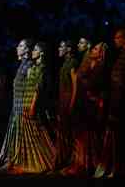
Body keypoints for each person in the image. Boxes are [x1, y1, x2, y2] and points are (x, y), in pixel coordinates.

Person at [8, 42, 56, 174]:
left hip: (33, 105)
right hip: (26, 103)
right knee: (29, 137)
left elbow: (38, 90)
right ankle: (29, 162)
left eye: (35, 49)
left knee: (38, 136)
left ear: (42, 53)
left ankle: (47, 162)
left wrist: (33, 106)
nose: (32, 52)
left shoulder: (43, 68)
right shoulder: (34, 67)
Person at [61, 42, 108, 177]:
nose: (93, 50)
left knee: (90, 136)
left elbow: (97, 86)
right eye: (93, 48)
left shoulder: (101, 67)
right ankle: (81, 163)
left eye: (96, 49)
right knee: (82, 136)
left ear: (101, 53)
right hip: (83, 103)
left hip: (92, 104)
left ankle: (89, 164)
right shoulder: (88, 65)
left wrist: (79, 80)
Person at [0, 39, 34, 170]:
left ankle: (14, 160)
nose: (17, 48)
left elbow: (31, 88)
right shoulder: (22, 64)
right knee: (12, 134)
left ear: (27, 49)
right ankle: (7, 158)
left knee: (20, 136)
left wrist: (26, 106)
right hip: (15, 105)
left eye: (21, 46)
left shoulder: (29, 65)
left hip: (23, 106)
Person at [94, 29, 125, 178]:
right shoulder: (118, 56)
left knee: (116, 135)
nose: (115, 40)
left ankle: (117, 168)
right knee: (113, 135)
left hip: (119, 101)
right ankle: (115, 167)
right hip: (114, 99)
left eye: (118, 37)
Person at [54, 40, 79, 169]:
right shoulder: (65, 63)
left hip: (68, 100)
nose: (59, 48)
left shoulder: (73, 63)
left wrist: (72, 103)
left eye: (61, 46)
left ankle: (71, 160)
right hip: (63, 100)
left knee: (70, 132)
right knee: (63, 131)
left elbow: (75, 84)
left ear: (68, 49)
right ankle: (63, 159)